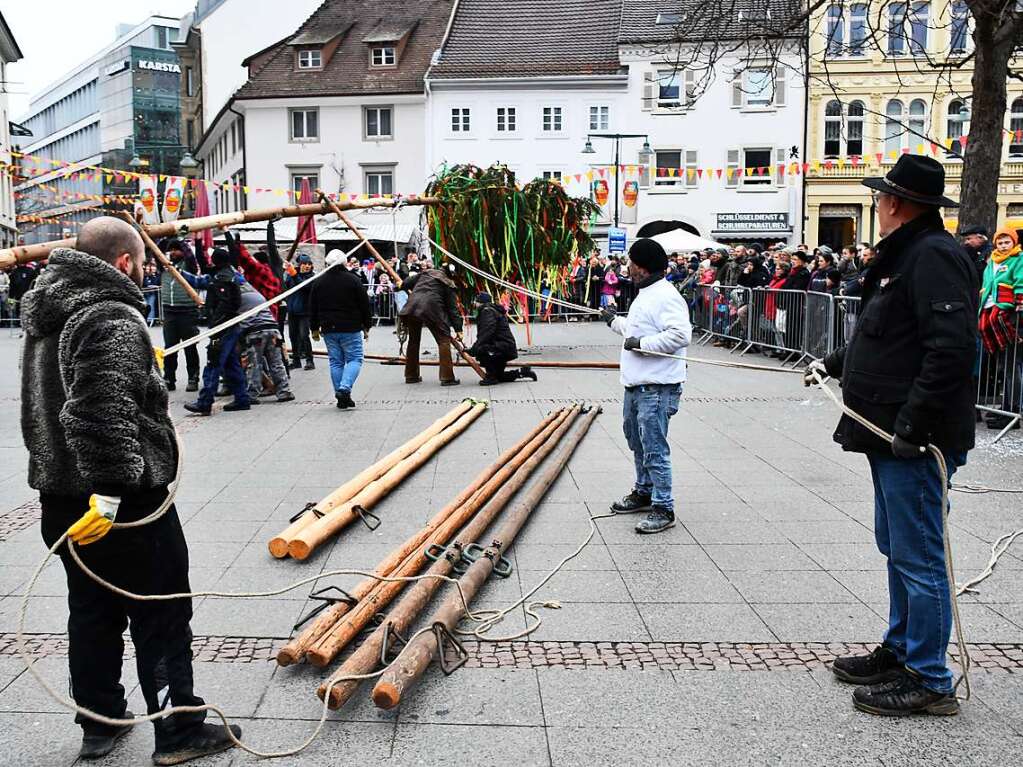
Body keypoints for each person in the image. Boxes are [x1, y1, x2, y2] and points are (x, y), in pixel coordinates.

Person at [18, 216, 240, 763]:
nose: (144, 270)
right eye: (141, 261)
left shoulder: (50, 311)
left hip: (61, 496)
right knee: (160, 609)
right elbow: (96, 414)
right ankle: (178, 729)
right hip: (119, 501)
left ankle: (101, 719)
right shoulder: (113, 318)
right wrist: (114, 493)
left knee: (91, 608)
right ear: (123, 263)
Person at [808, 155, 978, 717]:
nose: (877, 204)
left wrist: (913, 424)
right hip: (885, 431)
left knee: (919, 554)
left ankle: (930, 678)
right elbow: (886, 335)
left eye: (882, 197)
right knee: (897, 547)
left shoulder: (933, 256)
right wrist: (835, 362)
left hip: (911, 435)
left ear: (898, 204)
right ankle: (903, 648)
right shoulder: (908, 254)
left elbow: (950, 349)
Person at [601, 239, 691, 535]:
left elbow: (680, 335)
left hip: (656, 387)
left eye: (630, 263)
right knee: (636, 441)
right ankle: (644, 491)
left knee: (654, 447)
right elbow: (636, 330)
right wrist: (614, 322)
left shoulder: (666, 295)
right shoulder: (646, 294)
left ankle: (663, 507)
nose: (626, 267)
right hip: (637, 385)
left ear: (640, 267)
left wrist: (643, 345)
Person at [184, 249, 250, 415]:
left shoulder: (222, 279)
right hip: (231, 326)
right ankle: (242, 399)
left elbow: (225, 304)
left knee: (213, 363)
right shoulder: (230, 275)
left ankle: (204, 402)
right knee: (231, 363)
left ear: (216, 261)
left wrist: (215, 323)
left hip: (223, 327)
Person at [310, 250, 373, 409]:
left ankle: (342, 397)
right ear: (344, 262)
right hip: (350, 326)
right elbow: (364, 304)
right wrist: (367, 325)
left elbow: (312, 307)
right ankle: (344, 389)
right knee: (355, 359)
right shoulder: (353, 280)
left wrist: (314, 328)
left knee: (336, 362)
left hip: (328, 328)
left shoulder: (318, 282)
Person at [978, 227, 1023, 430]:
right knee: (1004, 365)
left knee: (1012, 365)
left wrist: (1019, 300)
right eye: (1000, 242)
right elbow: (986, 284)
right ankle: (1005, 408)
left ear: (1014, 243)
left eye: (1007, 242)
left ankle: (1012, 410)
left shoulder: (1018, 259)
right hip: (990, 312)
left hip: (1008, 313)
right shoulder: (992, 262)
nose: (1004, 246)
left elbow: (1020, 282)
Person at [399, 265, 463, 386]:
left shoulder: (427, 272)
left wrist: (400, 285)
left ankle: (411, 375)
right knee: (443, 340)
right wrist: (459, 329)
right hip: (432, 310)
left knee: (413, 341)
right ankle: (447, 377)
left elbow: (405, 283)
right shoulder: (449, 283)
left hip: (411, 307)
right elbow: (453, 310)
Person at [159, 240, 202, 392]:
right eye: (171, 250)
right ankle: (169, 378)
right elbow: (158, 249)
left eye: (176, 250)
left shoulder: (189, 264)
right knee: (170, 347)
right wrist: (166, 236)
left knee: (190, 347)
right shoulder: (164, 264)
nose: (173, 253)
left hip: (187, 310)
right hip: (169, 311)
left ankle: (193, 378)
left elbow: (189, 254)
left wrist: (180, 239)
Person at [468, 292, 537, 385]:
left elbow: (486, 333)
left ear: (480, 302)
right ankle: (523, 372)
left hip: (501, 348)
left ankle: (491, 377)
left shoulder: (487, 311)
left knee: (481, 349)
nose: (474, 304)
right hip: (504, 347)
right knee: (499, 376)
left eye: (476, 301)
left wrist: (474, 349)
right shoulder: (492, 310)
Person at [283, 253, 316, 370]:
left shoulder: (311, 277)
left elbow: (303, 286)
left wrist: (293, 274)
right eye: (304, 264)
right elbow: (285, 287)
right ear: (299, 264)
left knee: (304, 336)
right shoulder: (292, 274)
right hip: (292, 311)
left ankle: (309, 360)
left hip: (304, 312)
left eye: (309, 264)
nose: (306, 266)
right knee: (293, 336)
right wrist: (285, 274)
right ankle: (296, 360)